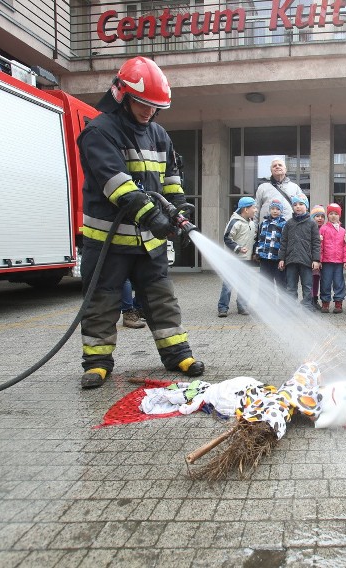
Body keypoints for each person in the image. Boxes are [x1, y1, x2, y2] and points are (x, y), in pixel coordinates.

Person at [76, 56, 204, 389]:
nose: (149, 111)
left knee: (161, 298)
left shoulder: (159, 134)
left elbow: (171, 177)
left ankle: (178, 355)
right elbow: (116, 183)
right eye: (143, 103)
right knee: (103, 302)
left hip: (149, 242)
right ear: (122, 94)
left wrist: (178, 212)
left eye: (155, 106)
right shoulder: (99, 132)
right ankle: (98, 363)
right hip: (108, 242)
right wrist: (153, 216)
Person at [217, 196, 257, 317]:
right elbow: (227, 238)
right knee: (228, 284)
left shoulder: (252, 223)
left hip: (246, 260)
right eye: (253, 207)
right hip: (232, 260)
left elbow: (253, 239)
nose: (255, 210)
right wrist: (238, 248)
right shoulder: (235, 222)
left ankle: (242, 306)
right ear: (246, 209)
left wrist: (254, 253)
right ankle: (223, 308)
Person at [279, 195, 320, 308]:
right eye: (295, 205)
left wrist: (316, 259)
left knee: (307, 285)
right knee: (291, 286)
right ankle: (291, 307)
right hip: (291, 260)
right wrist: (282, 258)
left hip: (306, 260)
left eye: (301, 204)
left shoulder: (312, 223)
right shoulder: (289, 223)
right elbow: (284, 241)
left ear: (306, 206)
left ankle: (307, 306)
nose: (298, 207)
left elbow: (316, 243)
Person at [319, 203, 346, 313]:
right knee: (325, 282)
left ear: (339, 215)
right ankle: (325, 303)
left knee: (339, 282)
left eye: (336, 214)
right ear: (328, 215)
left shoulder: (343, 231)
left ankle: (338, 303)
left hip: (339, 262)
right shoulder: (323, 229)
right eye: (331, 213)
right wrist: (319, 259)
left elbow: (345, 246)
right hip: (326, 261)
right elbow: (320, 246)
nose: (333, 216)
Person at [254, 198, 287, 295]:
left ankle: (282, 306)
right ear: (269, 210)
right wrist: (257, 253)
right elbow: (260, 239)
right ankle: (267, 305)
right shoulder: (264, 223)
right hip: (265, 258)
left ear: (281, 211)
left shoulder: (284, 224)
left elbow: (285, 242)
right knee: (265, 283)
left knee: (281, 283)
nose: (275, 211)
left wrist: (283, 258)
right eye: (273, 209)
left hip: (277, 258)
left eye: (277, 209)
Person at [310, 204, 326, 309]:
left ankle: (315, 299)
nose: (320, 218)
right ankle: (310, 300)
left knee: (317, 280)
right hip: (312, 260)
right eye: (317, 216)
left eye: (322, 216)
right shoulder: (309, 229)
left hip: (323, 260)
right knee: (310, 280)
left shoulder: (325, 229)